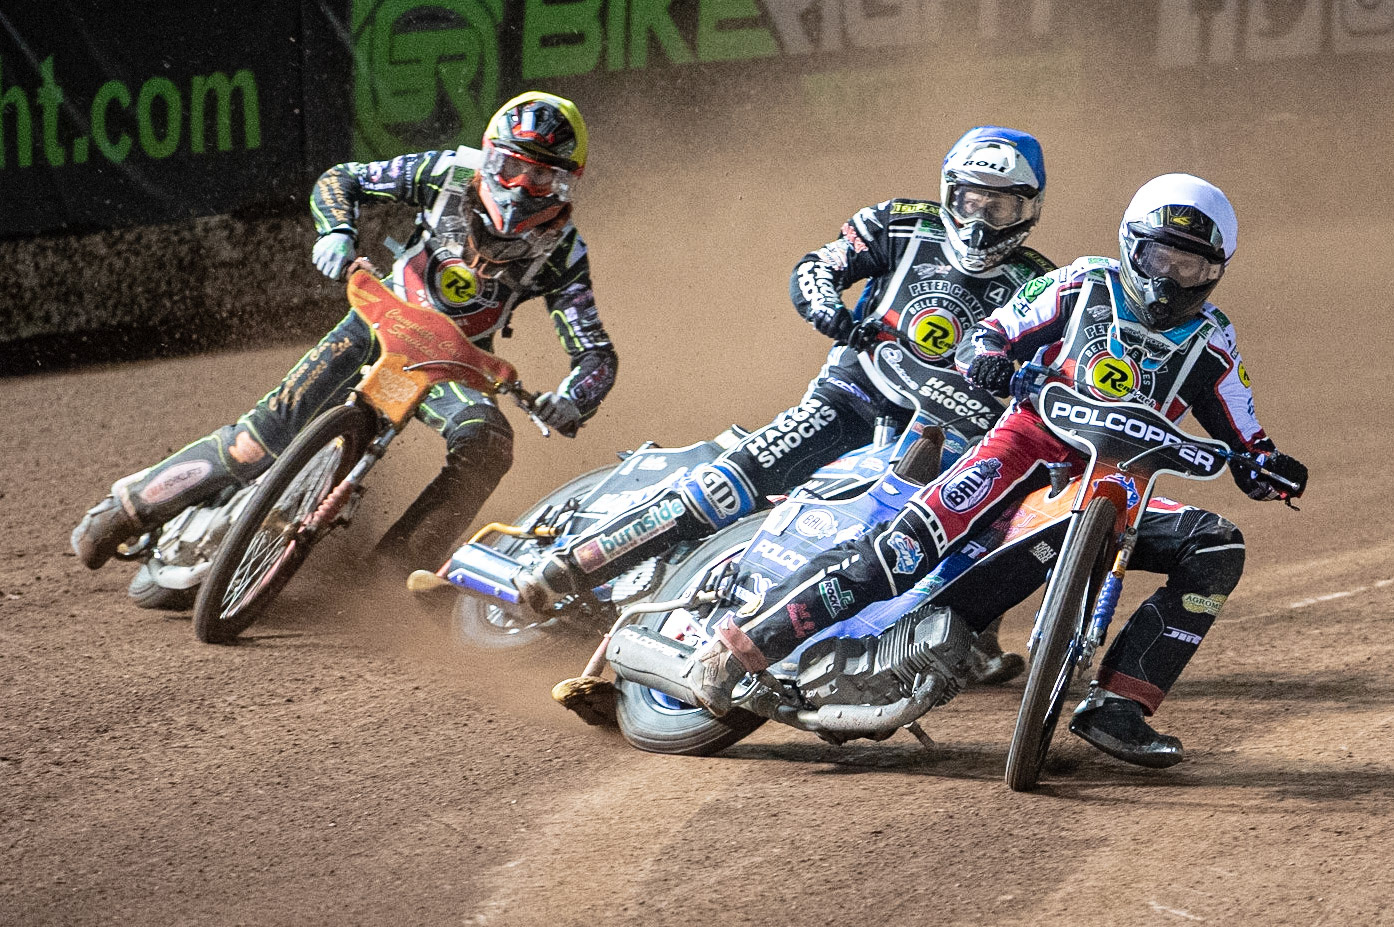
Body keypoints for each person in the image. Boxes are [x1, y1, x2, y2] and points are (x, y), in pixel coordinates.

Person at [683, 173, 1309, 769]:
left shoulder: (1214, 340)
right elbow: (993, 331)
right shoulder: (1082, 282)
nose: (1169, 279)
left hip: (1119, 485)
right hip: (1023, 449)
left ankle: (1118, 706)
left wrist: (1268, 468)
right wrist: (988, 356)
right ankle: (741, 645)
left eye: (1189, 266)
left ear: (1214, 272)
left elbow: (1249, 437)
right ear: (1131, 245)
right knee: (901, 550)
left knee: (1216, 545)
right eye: (1158, 257)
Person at [515, 126, 1056, 684]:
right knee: (731, 484)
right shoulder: (900, 222)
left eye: (999, 207)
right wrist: (828, 309)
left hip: (945, 435)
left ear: (1028, 211)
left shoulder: (1042, 283)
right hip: (854, 397)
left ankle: (966, 634)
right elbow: (817, 267)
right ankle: (574, 564)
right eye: (969, 200)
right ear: (948, 193)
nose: (978, 222)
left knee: (982, 518)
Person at [72, 91, 617, 573]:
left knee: (488, 443)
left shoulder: (564, 254)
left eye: (541, 178)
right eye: (510, 167)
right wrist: (335, 231)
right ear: (488, 155)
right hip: (379, 320)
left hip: (450, 363)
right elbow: (344, 179)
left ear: (567, 184)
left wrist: (573, 398)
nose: (520, 189)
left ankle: (390, 579)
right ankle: (126, 509)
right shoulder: (446, 172)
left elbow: (595, 353)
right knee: (255, 443)